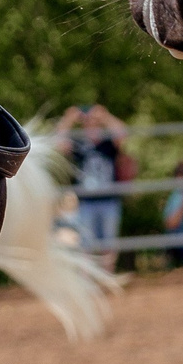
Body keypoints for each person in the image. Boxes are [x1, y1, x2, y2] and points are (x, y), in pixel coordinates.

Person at [58, 104, 129, 269]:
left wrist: (105, 116)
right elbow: (60, 143)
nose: (91, 125)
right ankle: (88, 278)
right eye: (87, 122)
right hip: (86, 202)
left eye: (94, 121)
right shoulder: (78, 143)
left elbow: (123, 134)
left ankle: (107, 276)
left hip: (109, 200)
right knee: (86, 246)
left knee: (109, 245)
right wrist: (69, 119)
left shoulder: (108, 143)